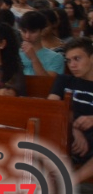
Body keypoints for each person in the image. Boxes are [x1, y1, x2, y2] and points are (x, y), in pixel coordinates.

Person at [49, 38, 93, 183]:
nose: (72, 65)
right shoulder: (64, 80)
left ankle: (70, 182)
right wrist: (73, 128)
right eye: (68, 60)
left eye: (77, 59)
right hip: (65, 132)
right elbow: (51, 108)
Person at [19, 10, 65, 76]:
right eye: (24, 31)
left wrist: (34, 58)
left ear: (42, 31)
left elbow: (48, 84)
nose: (27, 36)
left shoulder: (56, 58)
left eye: (33, 32)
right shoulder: (16, 54)